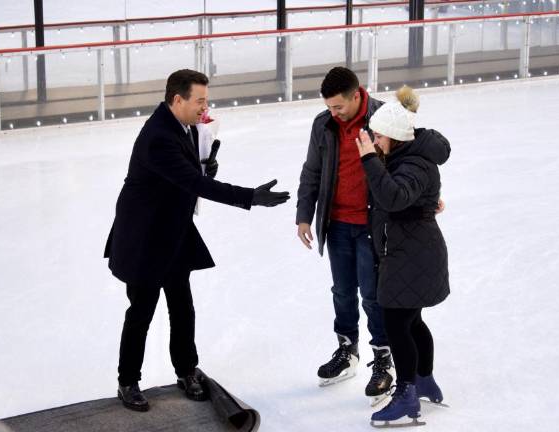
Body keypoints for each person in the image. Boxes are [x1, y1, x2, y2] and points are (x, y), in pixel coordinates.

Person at [104, 69, 290, 412]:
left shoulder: (185, 125)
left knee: (182, 307)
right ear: (178, 99)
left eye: (206, 99)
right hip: (144, 237)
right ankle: (127, 381)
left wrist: (206, 166)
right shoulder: (158, 136)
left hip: (172, 230)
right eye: (199, 101)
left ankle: (186, 371)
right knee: (141, 312)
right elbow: (193, 183)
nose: (205, 107)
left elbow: (191, 175)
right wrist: (251, 197)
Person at [295, 67, 394, 401]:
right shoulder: (323, 124)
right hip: (336, 223)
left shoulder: (384, 116)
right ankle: (347, 350)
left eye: (339, 106)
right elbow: (311, 171)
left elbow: (412, 161)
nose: (333, 112)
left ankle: (383, 358)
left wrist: (428, 196)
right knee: (342, 291)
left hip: (372, 224)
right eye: (329, 107)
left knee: (372, 294)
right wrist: (304, 216)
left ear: (357, 95)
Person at [354, 86, 450, 427]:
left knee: (397, 324)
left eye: (378, 136)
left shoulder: (412, 164)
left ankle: (407, 394)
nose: (374, 141)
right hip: (411, 251)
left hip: (412, 254)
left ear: (393, 135)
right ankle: (423, 379)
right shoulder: (401, 158)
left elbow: (393, 198)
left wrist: (368, 159)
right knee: (413, 321)